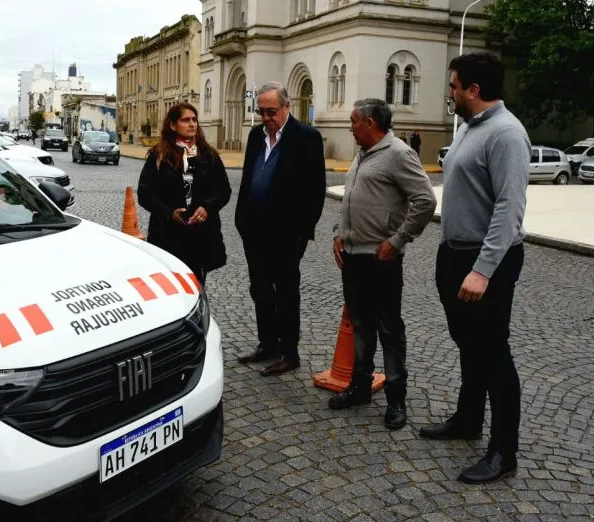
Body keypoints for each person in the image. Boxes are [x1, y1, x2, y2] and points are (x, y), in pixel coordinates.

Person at [420, 52, 530, 485]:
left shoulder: (506, 133)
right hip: (456, 255)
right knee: (469, 343)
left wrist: (483, 270)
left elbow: (509, 208)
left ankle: (504, 451)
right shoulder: (469, 126)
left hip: (487, 263)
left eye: (454, 86)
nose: (450, 93)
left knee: (493, 353)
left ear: (474, 89)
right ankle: (468, 419)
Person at [328, 98, 436, 430]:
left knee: (389, 329)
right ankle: (360, 386)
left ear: (370, 123)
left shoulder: (399, 153)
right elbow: (353, 200)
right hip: (353, 257)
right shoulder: (362, 153)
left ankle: (396, 399)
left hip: (381, 259)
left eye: (353, 121)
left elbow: (425, 201)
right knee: (361, 325)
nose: (350, 127)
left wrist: (398, 240)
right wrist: (339, 233)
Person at [234, 81, 327, 377]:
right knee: (260, 289)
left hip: (287, 235)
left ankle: (289, 353)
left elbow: (316, 190)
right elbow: (248, 178)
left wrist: (302, 232)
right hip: (254, 231)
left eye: (271, 111)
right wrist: (241, 219)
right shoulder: (255, 135)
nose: (266, 117)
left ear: (287, 106)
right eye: (261, 111)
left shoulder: (306, 138)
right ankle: (268, 344)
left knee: (286, 292)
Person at [137, 102, 231, 287]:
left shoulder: (208, 155)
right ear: (173, 125)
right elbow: (145, 193)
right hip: (167, 235)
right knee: (169, 287)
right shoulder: (159, 155)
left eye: (194, 120)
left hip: (201, 236)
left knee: (195, 287)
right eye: (185, 120)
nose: (192, 124)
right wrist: (168, 212)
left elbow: (223, 190)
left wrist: (207, 207)